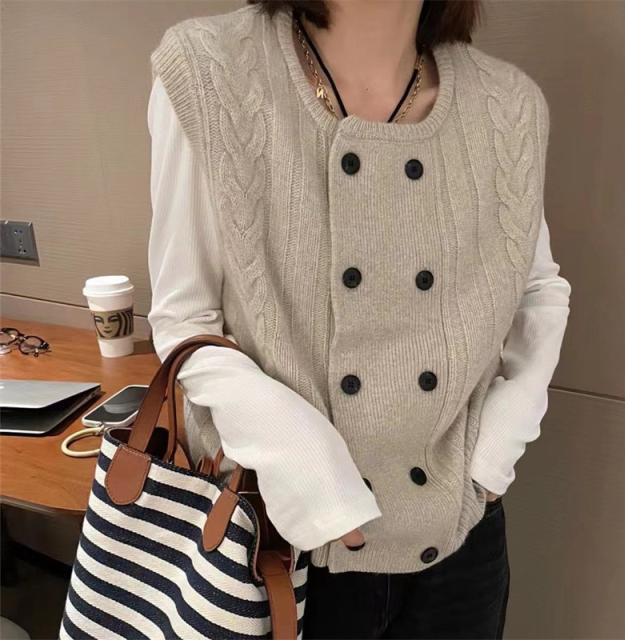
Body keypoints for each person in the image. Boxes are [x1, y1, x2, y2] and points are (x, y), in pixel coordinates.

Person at [146, 1, 571, 637]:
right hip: (284, 534)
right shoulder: (211, 69)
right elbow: (185, 318)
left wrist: (494, 452)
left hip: (460, 536)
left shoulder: (508, 104)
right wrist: (302, 459)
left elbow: (537, 287)